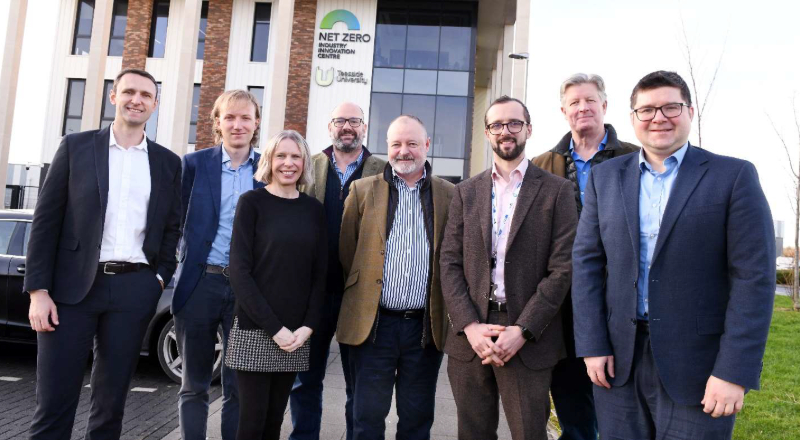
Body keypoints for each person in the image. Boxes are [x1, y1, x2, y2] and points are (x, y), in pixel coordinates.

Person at [572, 70, 775, 439]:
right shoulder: (606, 178)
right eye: (647, 110)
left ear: (690, 112)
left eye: (670, 107)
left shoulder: (733, 176)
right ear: (633, 118)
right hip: (618, 365)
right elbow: (586, 265)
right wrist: (592, 345)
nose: (659, 118)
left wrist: (734, 371)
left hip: (700, 370)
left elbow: (754, 280)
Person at [24, 68, 181, 439]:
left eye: (146, 95)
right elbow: (45, 223)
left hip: (134, 291)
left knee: (111, 406)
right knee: (54, 404)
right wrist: (38, 291)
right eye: (129, 92)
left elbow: (172, 227)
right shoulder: (75, 147)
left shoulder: (167, 163)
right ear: (114, 97)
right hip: (70, 291)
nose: (136, 100)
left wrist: (157, 279)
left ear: (155, 104)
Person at [440, 96, 577, 440]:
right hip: (472, 336)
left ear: (528, 129)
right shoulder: (465, 192)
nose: (506, 131)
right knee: (472, 434)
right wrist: (469, 325)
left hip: (528, 337)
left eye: (514, 123)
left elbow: (563, 269)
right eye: (497, 125)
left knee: (529, 433)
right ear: (487, 133)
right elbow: (449, 262)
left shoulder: (557, 191)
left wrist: (524, 330)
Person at [532, 73, 638, 440]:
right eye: (574, 102)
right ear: (564, 111)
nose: (583, 108)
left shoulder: (634, 158)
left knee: (616, 397)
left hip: (620, 299)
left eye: (590, 100)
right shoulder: (542, 164)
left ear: (605, 106)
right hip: (562, 304)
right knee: (572, 399)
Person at [338, 115, 454, 440]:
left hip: (423, 328)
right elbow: (348, 255)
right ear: (387, 147)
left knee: (417, 420)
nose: (404, 151)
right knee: (367, 419)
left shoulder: (449, 195)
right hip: (374, 326)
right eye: (396, 144)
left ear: (426, 146)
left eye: (412, 143)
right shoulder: (362, 191)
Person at [172, 89, 265, 440]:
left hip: (247, 290)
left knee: (238, 386)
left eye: (245, 117)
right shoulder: (194, 165)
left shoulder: (268, 168)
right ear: (217, 123)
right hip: (199, 284)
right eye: (230, 117)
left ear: (256, 123)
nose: (237, 124)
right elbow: (175, 221)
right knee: (193, 384)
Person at [290, 102, 384, 440]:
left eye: (354, 121)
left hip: (359, 297)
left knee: (358, 385)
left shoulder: (382, 171)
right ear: (330, 126)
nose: (348, 127)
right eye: (341, 120)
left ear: (364, 127)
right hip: (312, 295)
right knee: (305, 381)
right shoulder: (309, 166)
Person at [226, 130, 327, 440]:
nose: (288, 163)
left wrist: (307, 327)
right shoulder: (252, 203)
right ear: (269, 161)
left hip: (296, 334)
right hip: (257, 328)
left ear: (304, 163)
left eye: (296, 156)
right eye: (281, 155)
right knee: (252, 424)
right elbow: (239, 272)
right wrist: (275, 329)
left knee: (273, 424)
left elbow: (320, 275)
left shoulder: (313, 210)